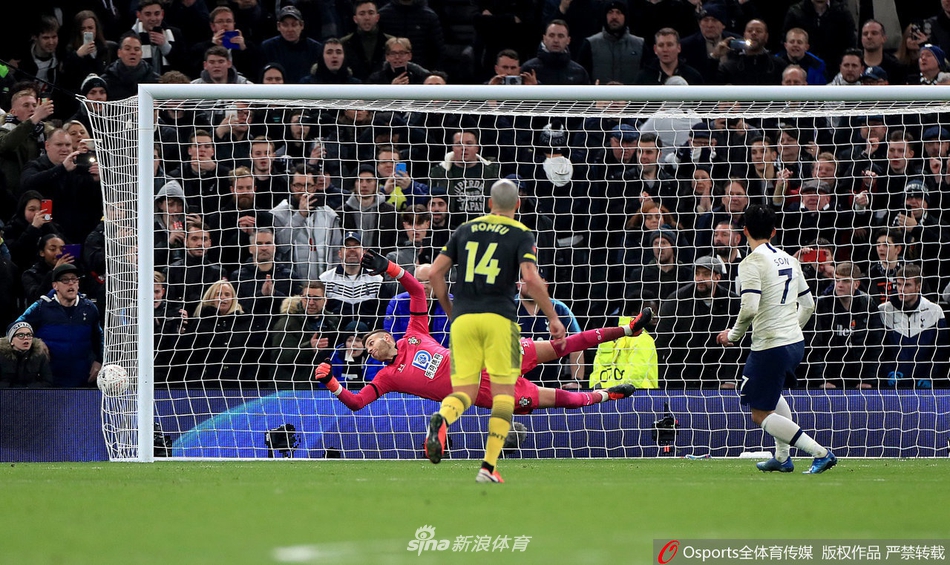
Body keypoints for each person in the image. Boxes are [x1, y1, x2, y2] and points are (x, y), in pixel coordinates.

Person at [315, 248, 649, 428]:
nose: (371, 348)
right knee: (564, 399)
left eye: (373, 341)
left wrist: (389, 267)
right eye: (369, 348)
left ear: (388, 336)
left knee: (564, 344)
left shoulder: (414, 334)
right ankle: (608, 395)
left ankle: (627, 329)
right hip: (490, 391)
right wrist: (332, 382)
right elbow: (357, 402)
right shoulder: (388, 377)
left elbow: (417, 287)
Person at [426, 179, 565, 483]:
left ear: (489, 204)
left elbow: (435, 272)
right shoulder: (521, 234)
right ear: (518, 205)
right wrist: (553, 317)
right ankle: (488, 467)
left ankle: (443, 418)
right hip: (499, 318)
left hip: (463, 319)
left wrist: (451, 311)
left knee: (464, 390)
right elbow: (530, 279)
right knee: (504, 394)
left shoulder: (464, 229)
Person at [716, 204, 836, 475]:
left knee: (759, 413)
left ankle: (821, 453)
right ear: (774, 231)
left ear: (743, 232)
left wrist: (733, 335)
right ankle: (782, 458)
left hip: (770, 345)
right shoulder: (790, 260)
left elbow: (749, 307)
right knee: (773, 395)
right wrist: (791, 328)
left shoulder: (751, 263)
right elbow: (808, 305)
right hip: (794, 343)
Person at [657, 255, 742, 389]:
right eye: (697, 274)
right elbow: (662, 342)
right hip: (680, 378)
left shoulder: (733, 303)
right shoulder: (676, 301)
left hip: (717, 378)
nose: (700, 279)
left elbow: (741, 344)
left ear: (717, 277)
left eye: (706, 274)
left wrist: (731, 379)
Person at [16, 263, 103, 388]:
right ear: (55, 285)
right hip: (50, 379)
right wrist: (35, 343)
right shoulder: (41, 307)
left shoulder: (89, 308)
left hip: (82, 378)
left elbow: (99, 337)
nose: (71, 283)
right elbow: (16, 327)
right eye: (65, 280)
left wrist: (99, 361)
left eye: (74, 279)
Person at [878, 264, 948, 389]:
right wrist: (888, 372)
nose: (901, 289)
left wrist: (931, 376)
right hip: (893, 388)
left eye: (907, 285)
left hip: (926, 389)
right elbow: (878, 349)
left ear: (918, 286)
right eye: (899, 284)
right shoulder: (884, 311)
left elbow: (941, 352)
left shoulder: (935, 311)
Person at [260, 6, 324, 83]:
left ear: (302, 25)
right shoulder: (268, 47)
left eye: (294, 25)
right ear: (278, 26)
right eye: (285, 25)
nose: (290, 29)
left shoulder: (315, 48)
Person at [0, 322, 53, 388]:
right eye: (20, 335)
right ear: (11, 341)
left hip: (32, 396)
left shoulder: (39, 355)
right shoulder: (1, 356)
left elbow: (47, 382)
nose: (26, 338)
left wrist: (27, 389)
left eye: (29, 335)